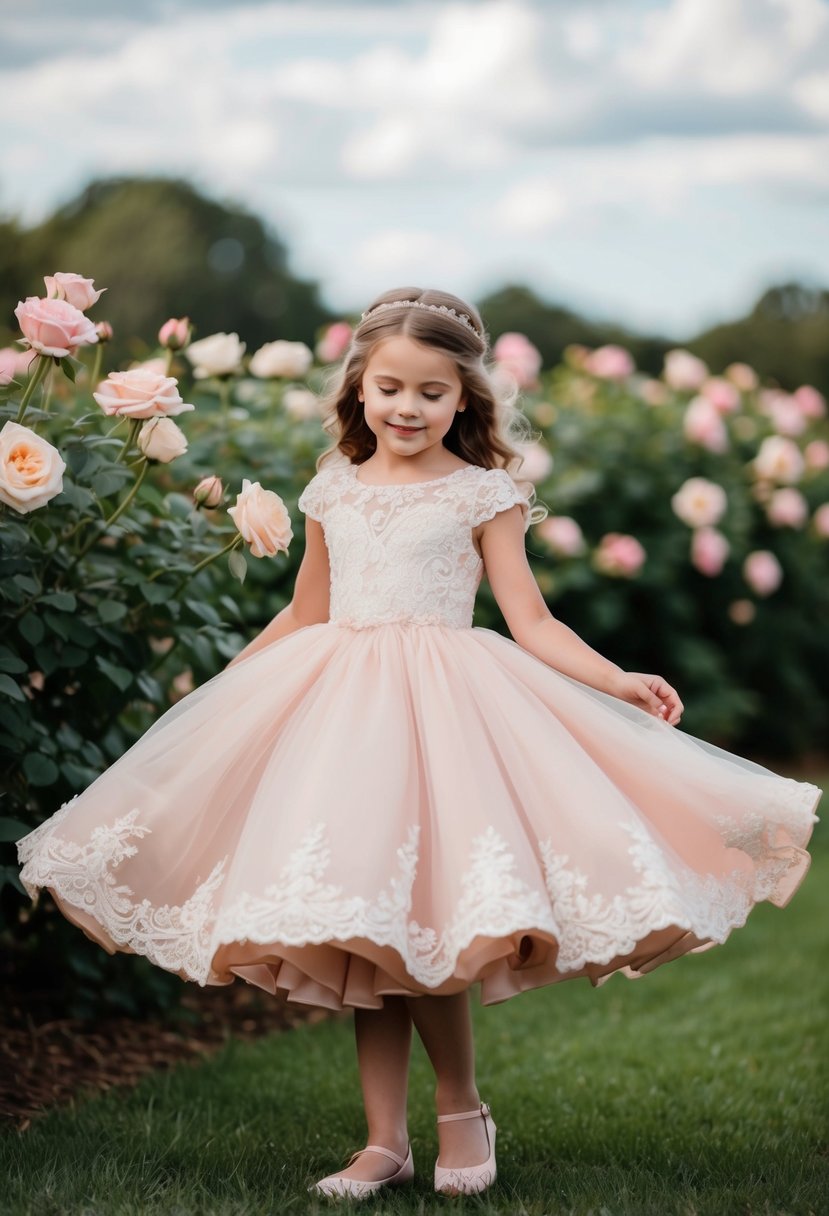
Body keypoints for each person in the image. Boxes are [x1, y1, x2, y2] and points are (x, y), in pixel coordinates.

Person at [16, 287, 822, 1202]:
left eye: (431, 393)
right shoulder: (331, 488)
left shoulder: (484, 492)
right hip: (339, 718)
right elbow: (305, 610)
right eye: (390, 387)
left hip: (445, 718)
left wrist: (615, 680)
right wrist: (228, 689)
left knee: (428, 924)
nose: (407, 407)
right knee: (361, 926)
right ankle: (382, 1143)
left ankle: (461, 1112)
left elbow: (531, 620)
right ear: (359, 387)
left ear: (464, 400)